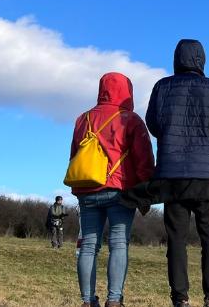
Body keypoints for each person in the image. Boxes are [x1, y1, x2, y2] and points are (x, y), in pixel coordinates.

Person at [122, 39, 209, 307]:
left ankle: (180, 298)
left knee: (176, 238)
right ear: (202, 60)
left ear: (176, 59)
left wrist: (173, 138)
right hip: (208, 175)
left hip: (172, 173)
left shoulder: (162, 86)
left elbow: (153, 123)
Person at [71, 72, 155, 307]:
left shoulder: (83, 119)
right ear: (127, 92)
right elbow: (143, 160)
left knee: (88, 246)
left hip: (87, 188)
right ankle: (114, 300)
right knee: (118, 243)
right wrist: (145, 194)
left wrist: (78, 187)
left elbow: (75, 155)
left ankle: (87, 301)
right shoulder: (131, 119)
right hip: (120, 189)